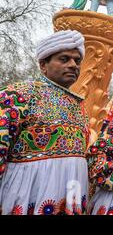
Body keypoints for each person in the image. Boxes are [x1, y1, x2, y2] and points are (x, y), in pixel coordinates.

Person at [0, 30, 90, 215]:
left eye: (77, 61)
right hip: (24, 199)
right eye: (64, 59)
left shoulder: (79, 106)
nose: (73, 65)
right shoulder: (18, 95)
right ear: (43, 65)